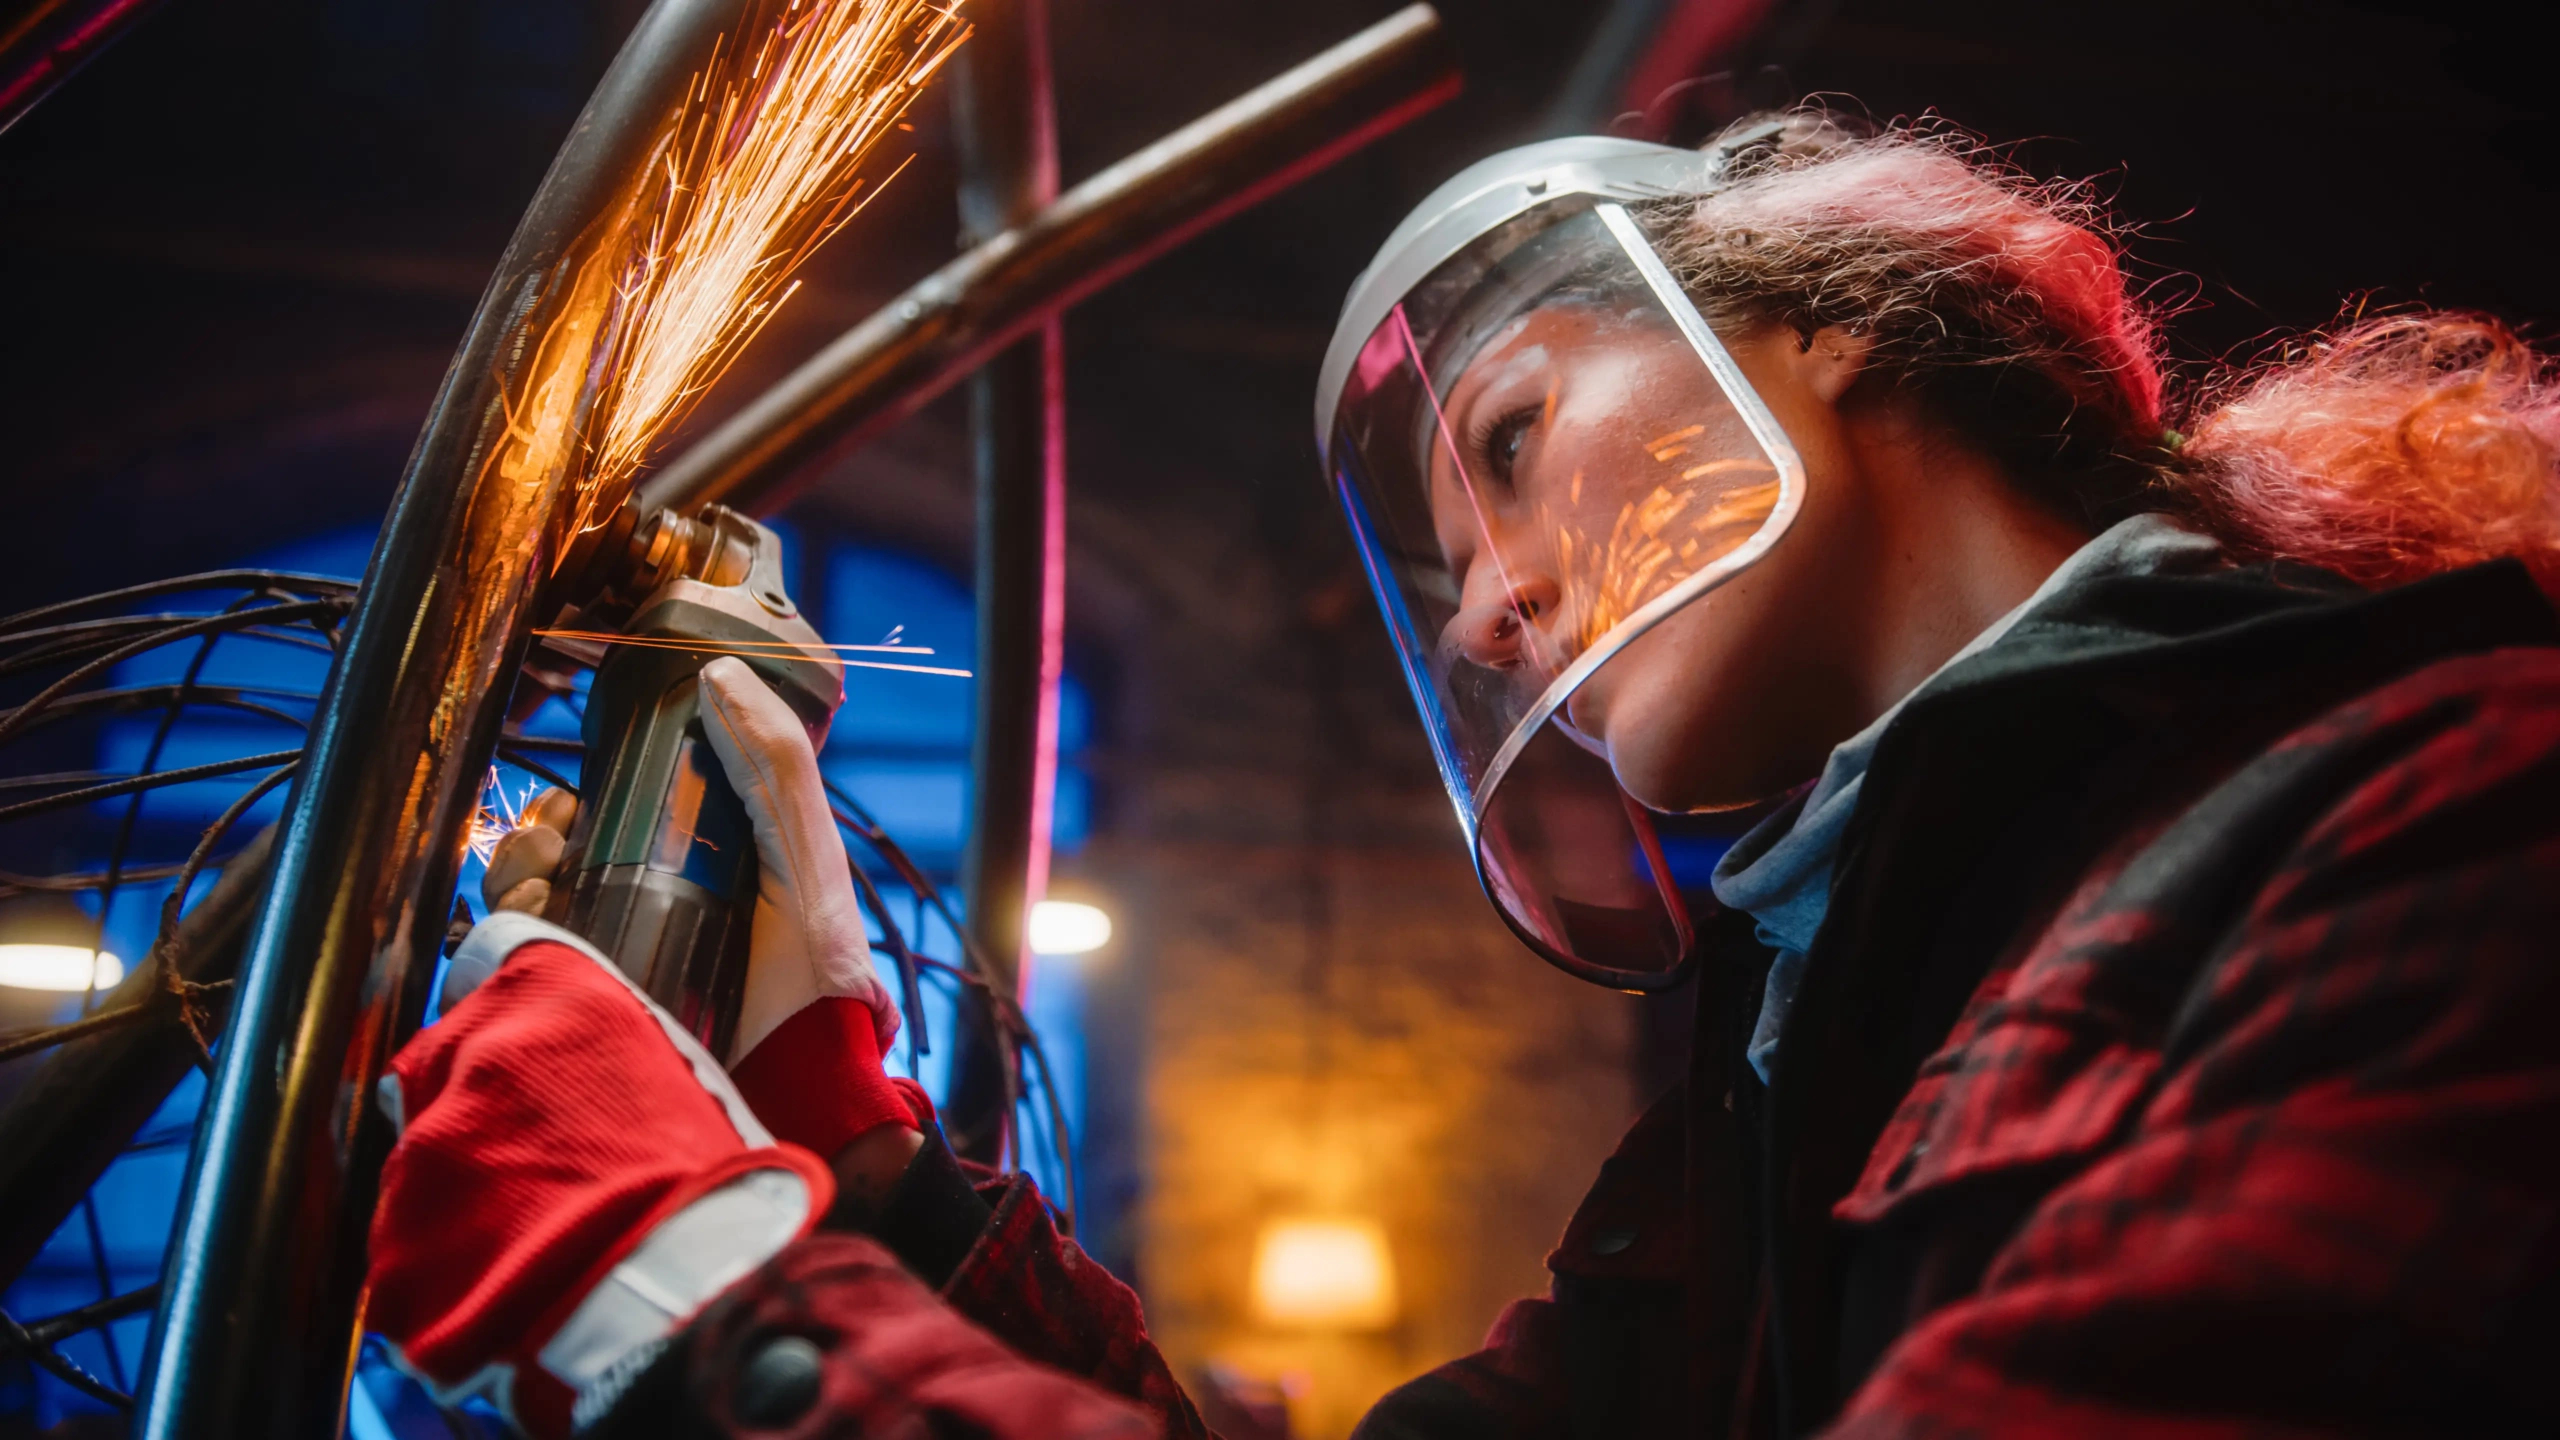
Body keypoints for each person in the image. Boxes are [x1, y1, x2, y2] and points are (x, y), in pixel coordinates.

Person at [365, 109, 2560, 1437]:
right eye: (1446, 570)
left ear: (1852, 317)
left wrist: (680, 1302)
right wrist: (850, 1148)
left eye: (1508, 445)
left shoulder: (2443, 830)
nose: (1490, 612)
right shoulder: (1802, 1068)